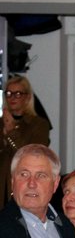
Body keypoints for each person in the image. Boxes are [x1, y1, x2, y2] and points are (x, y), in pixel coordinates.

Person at [0, 75, 51, 209]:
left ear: (27, 97)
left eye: (18, 94)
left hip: (25, 184)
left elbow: (32, 155)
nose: (12, 98)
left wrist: (11, 131)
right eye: (9, 93)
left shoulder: (39, 124)